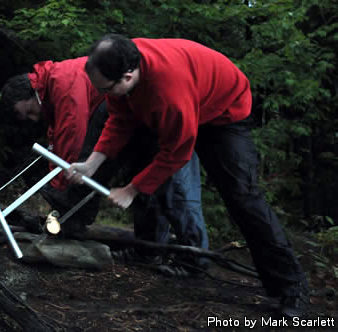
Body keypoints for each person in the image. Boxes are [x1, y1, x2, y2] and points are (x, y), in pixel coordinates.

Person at [68, 34, 309, 317]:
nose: (105, 93)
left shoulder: (167, 91)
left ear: (128, 76)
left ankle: (290, 289)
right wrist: (92, 164)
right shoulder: (122, 64)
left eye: (107, 88)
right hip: (188, 102)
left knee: (243, 198)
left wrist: (131, 190)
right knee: (149, 165)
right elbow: (121, 119)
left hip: (223, 114)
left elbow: (177, 153)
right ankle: (150, 250)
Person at [0, 57, 209, 272]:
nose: (34, 119)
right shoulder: (51, 87)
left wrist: (61, 182)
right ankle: (148, 251)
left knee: (176, 186)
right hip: (132, 118)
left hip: (163, 118)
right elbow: (58, 134)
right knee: (142, 178)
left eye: (30, 112)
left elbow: (74, 137)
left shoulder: (64, 82)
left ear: (30, 91)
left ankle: (195, 260)